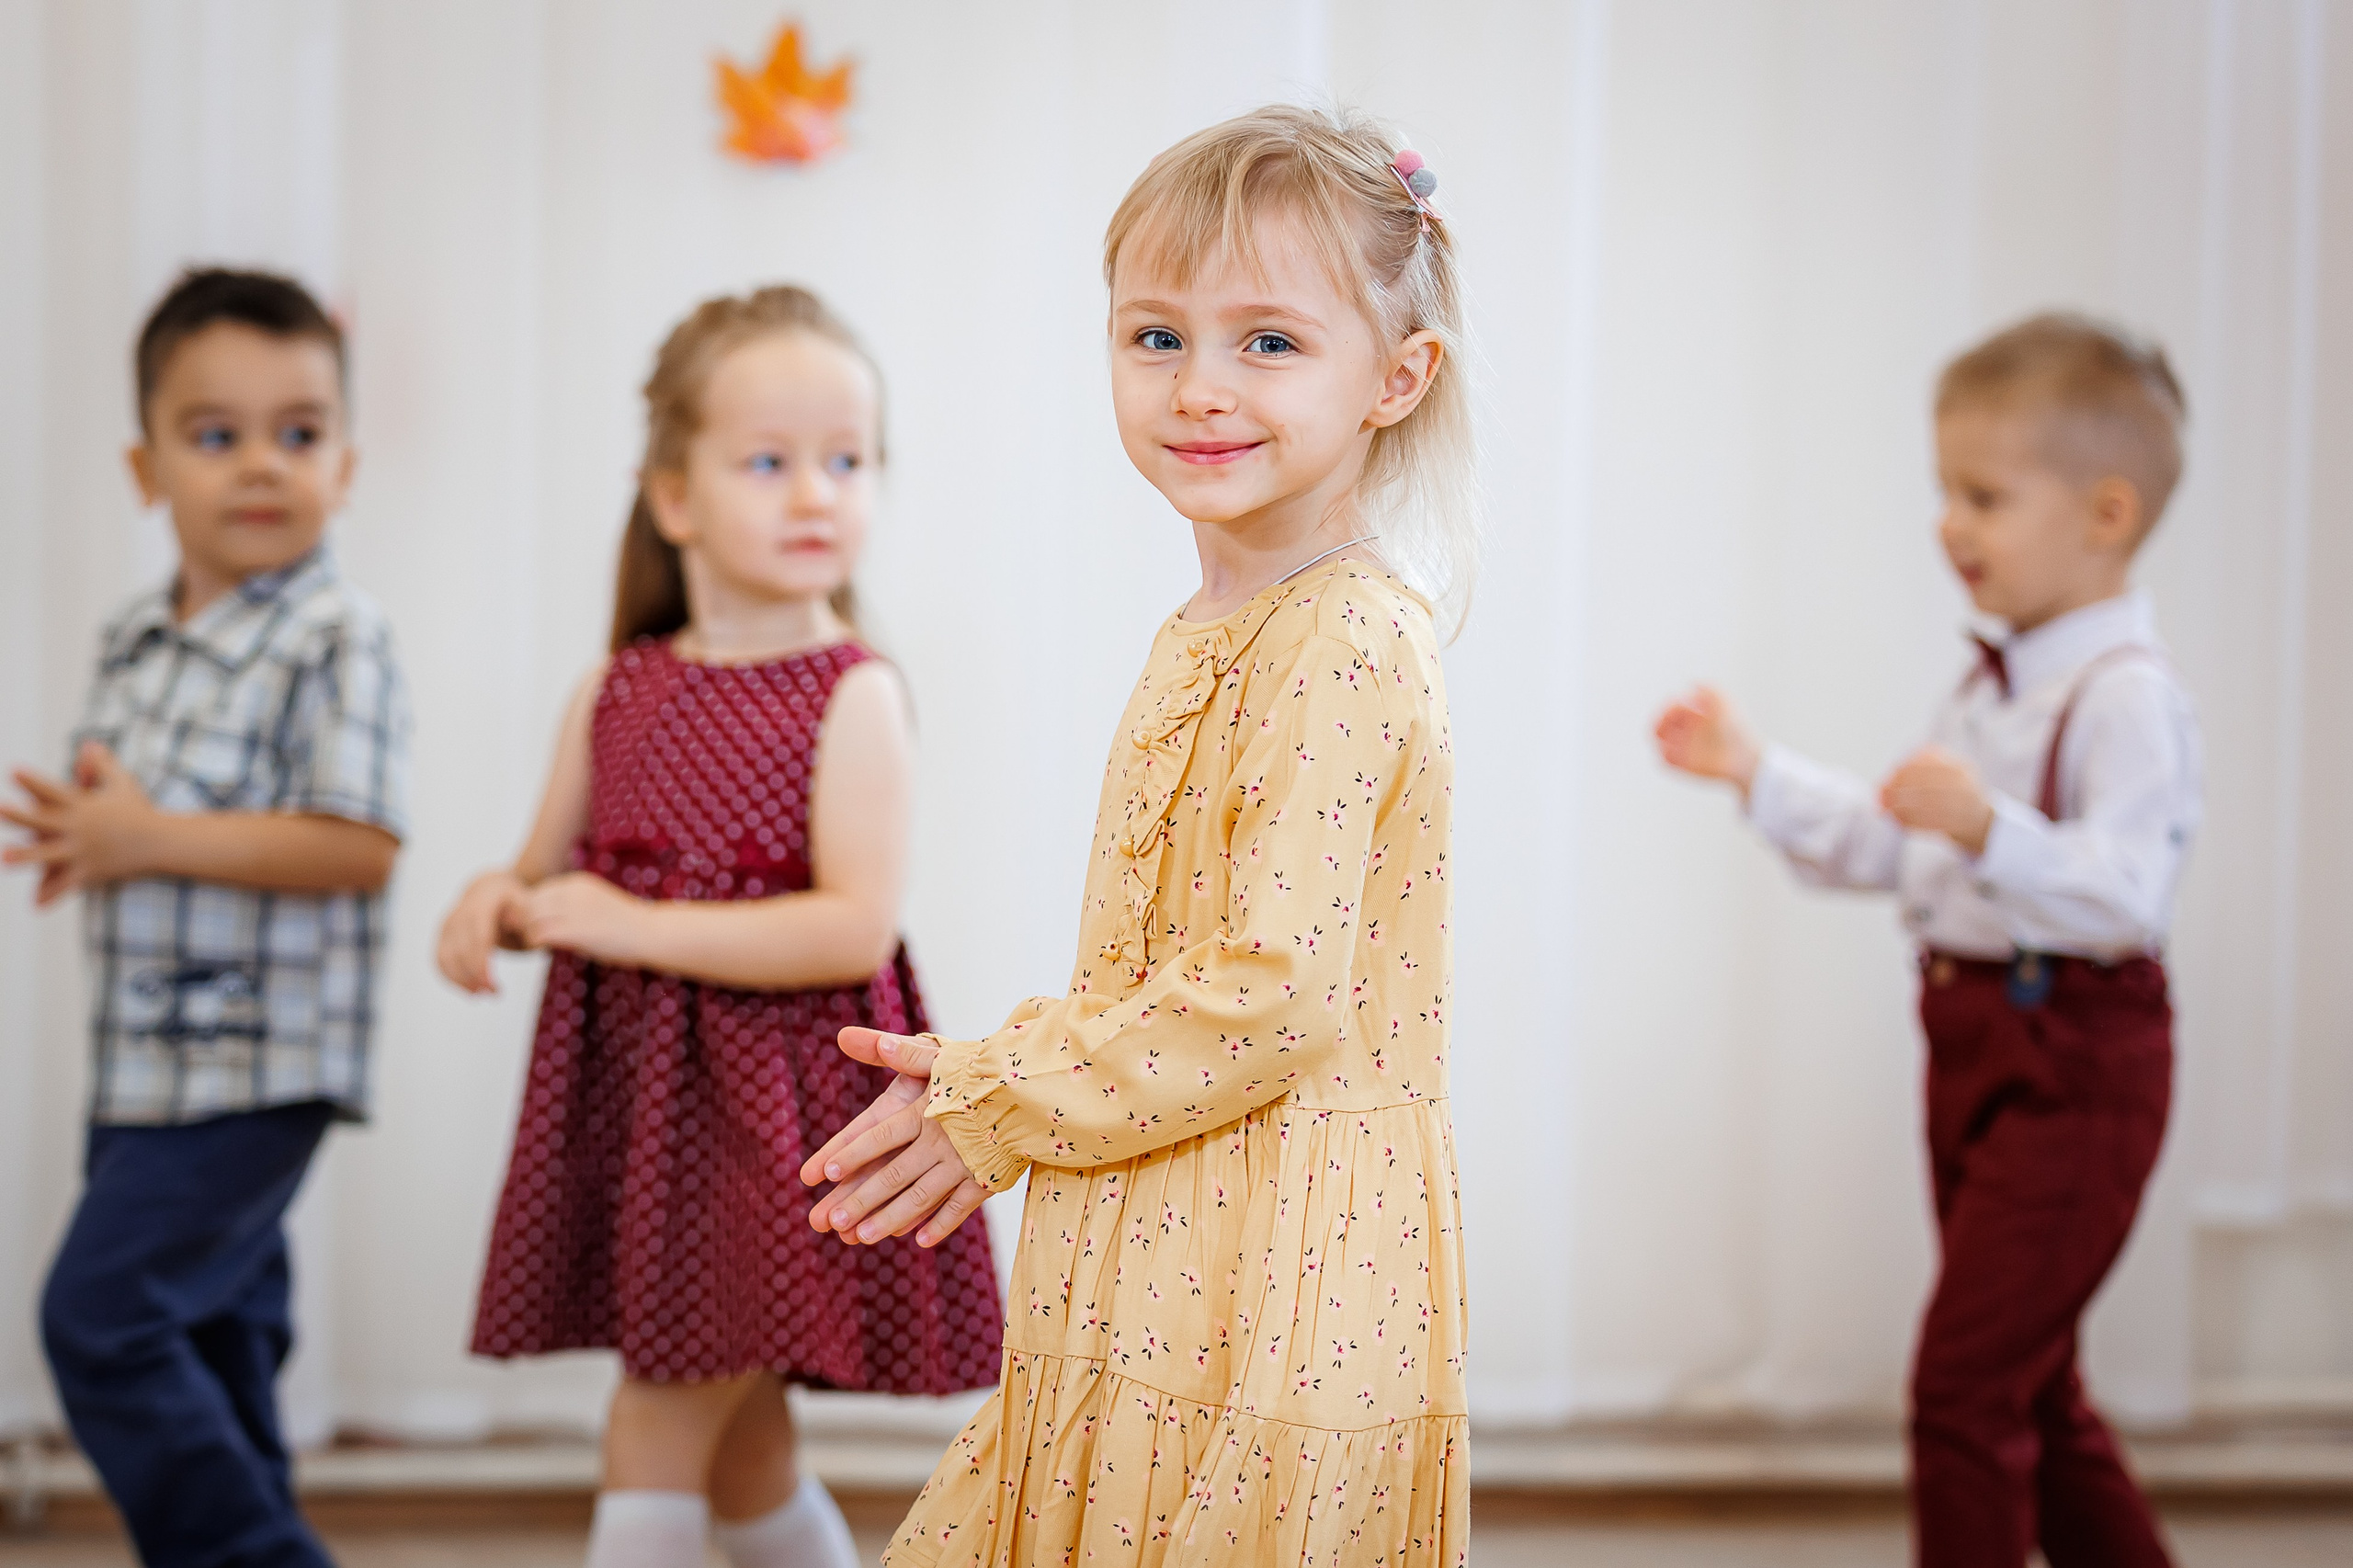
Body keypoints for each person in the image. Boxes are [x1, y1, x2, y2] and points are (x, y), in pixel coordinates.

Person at [799, 106, 1475, 1566]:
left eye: (1271, 342)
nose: (1200, 389)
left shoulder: (1345, 636)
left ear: (1396, 379)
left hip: (1278, 1253)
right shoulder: (1213, 623)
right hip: (1163, 1210)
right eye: (1155, 336)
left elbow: (1274, 991)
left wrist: (996, 1095)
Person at [437, 285, 1003, 1568]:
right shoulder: (616, 687)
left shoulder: (850, 691)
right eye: (769, 461)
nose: (817, 494)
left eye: (847, 461)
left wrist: (627, 925)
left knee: (657, 1409)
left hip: (775, 1123)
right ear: (675, 497)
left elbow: (848, 929)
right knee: (742, 1444)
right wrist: (495, 903)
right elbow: (546, 880)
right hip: (644, 1114)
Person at [1655, 312, 2200, 1568]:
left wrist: (1994, 829)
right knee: (2032, 1384)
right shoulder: (1994, 684)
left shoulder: (2127, 697)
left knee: (1964, 1386)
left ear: (2106, 514)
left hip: (2077, 1062)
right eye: (1946, 492)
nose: (1950, 524)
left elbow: (2127, 891)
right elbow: (1903, 849)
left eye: (1984, 496)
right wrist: (1758, 773)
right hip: (1970, 1045)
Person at [3, 267, 410, 1568]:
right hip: (139, 1058)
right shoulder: (132, 638)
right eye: (214, 433)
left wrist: (144, 837)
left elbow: (356, 845)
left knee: (101, 1316)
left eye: (299, 434)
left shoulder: (337, 635)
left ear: (345, 463)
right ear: (146, 465)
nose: (260, 466)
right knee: (220, 1332)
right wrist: (92, 839)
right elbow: (130, 814)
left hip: (257, 1061)